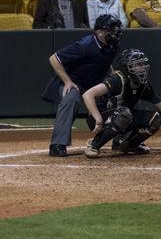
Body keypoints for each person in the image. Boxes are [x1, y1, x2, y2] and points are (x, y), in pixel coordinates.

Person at [82, 49, 161, 158]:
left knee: (156, 119)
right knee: (124, 113)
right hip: (99, 119)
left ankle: (128, 144)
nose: (143, 67)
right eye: (138, 64)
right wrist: (98, 119)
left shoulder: (142, 85)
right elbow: (87, 95)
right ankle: (94, 145)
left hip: (123, 116)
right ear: (127, 67)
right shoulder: (117, 80)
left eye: (143, 64)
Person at [41, 14, 122, 157]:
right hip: (75, 82)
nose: (114, 32)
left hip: (93, 84)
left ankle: (120, 140)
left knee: (117, 96)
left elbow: (104, 60)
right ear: (99, 32)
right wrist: (67, 81)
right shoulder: (85, 45)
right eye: (111, 29)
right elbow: (54, 58)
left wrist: (111, 73)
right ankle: (57, 144)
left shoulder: (113, 45)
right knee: (71, 99)